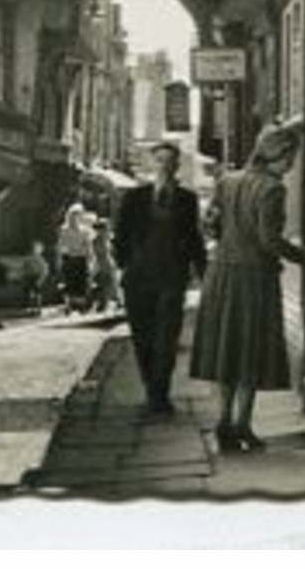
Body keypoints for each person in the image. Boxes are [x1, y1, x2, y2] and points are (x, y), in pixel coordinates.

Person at [189, 123, 305, 452]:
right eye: (291, 157)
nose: (293, 165)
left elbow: (210, 224)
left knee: (228, 353)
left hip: (221, 274)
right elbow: (269, 241)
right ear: (279, 154)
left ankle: (225, 422)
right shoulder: (273, 189)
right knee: (248, 354)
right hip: (253, 279)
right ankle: (242, 425)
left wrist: (229, 242)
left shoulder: (227, 181)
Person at [114, 140, 207, 414]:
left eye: (170, 161)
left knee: (167, 338)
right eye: (160, 161)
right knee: (143, 337)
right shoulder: (134, 198)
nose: (165, 166)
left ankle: (160, 395)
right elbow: (120, 236)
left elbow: (194, 239)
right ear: (152, 164)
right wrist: (125, 266)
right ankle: (151, 389)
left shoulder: (187, 200)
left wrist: (203, 274)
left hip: (171, 278)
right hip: (138, 279)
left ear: (177, 166)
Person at [56, 204, 95, 313]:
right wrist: (60, 257)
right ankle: (69, 304)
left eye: (77, 216)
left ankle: (81, 305)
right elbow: (61, 245)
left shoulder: (84, 231)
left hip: (81, 258)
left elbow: (88, 245)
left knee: (81, 281)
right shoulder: (64, 230)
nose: (74, 219)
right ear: (68, 217)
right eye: (72, 216)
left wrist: (90, 257)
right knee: (69, 281)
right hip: (69, 258)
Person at [90, 219, 117, 312]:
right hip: (101, 263)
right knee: (102, 283)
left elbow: (112, 251)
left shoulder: (108, 239)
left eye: (104, 229)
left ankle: (109, 302)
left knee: (110, 283)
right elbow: (95, 253)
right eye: (101, 229)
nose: (103, 231)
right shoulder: (95, 241)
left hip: (109, 262)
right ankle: (101, 303)